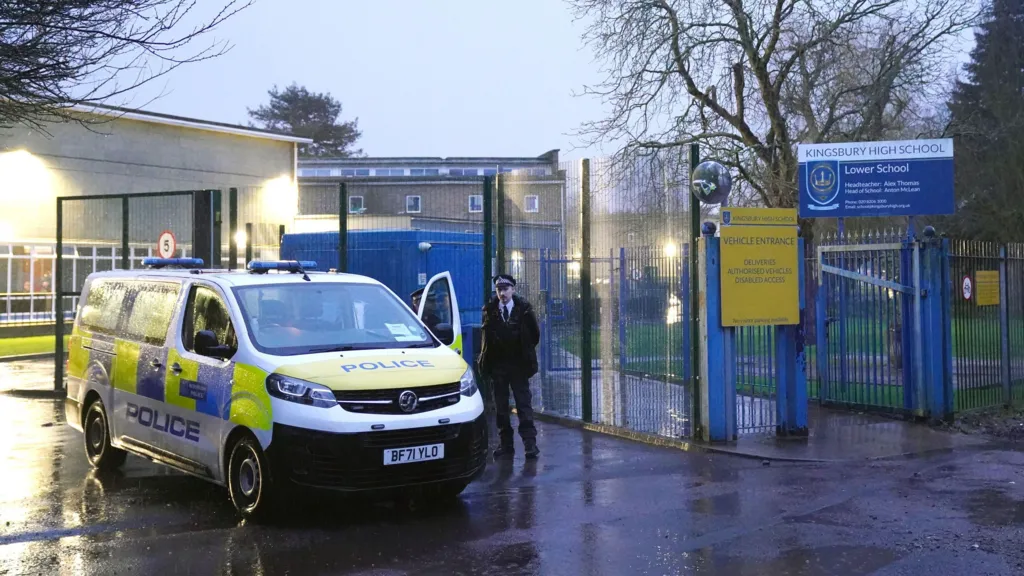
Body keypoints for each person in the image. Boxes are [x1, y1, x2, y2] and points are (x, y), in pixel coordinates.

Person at [478, 274, 541, 459]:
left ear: (513, 290)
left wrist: (525, 354)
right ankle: (506, 444)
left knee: (523, 405)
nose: (502, 293)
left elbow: (534, 335)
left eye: (506, 289)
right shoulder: (490, 310)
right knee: (501, 408)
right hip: (498, 366)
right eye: (499, 290)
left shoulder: (524, 311)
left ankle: (530, 445)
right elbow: (486, 339)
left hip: (518, 366)